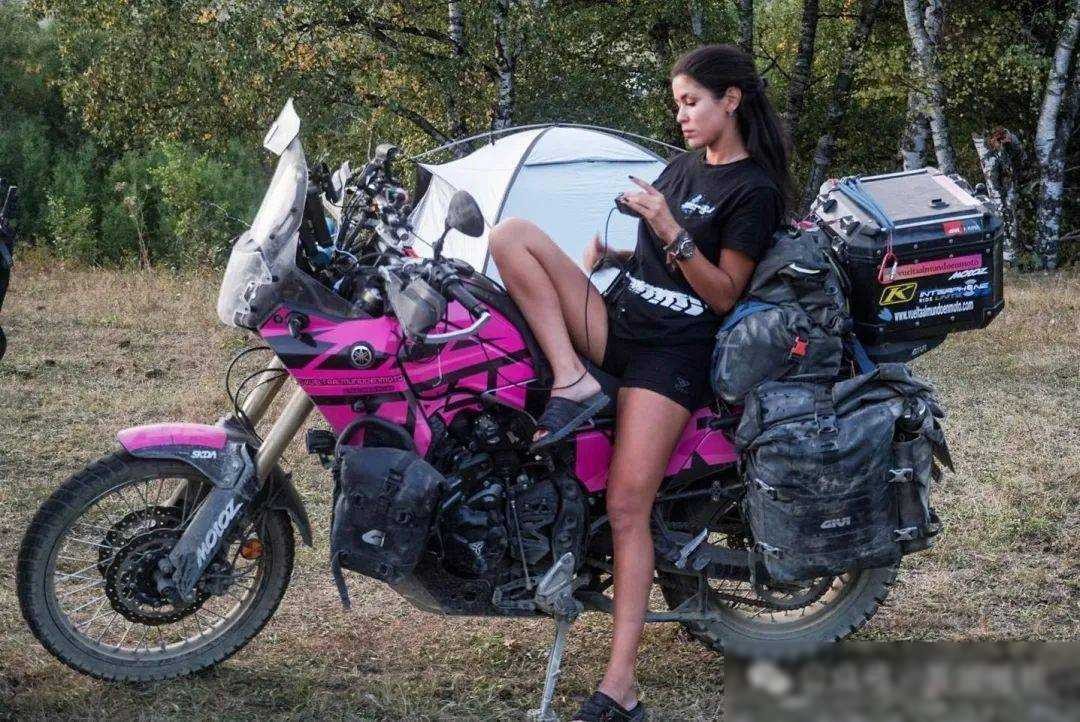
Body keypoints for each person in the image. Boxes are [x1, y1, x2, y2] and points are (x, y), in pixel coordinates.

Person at [487, 44, 792, 722]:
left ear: (731, 101)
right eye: (677, 103)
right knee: (511, 235)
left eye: (692, 102)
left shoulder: (754, 190)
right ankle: (572, 380)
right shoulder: (682, 166)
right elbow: (662, 259)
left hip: (674, 356)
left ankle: (620, 687)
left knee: (628, 506)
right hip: (621, 319)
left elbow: (723, 293)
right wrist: (616, 252)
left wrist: (664, 222)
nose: (681, 115)